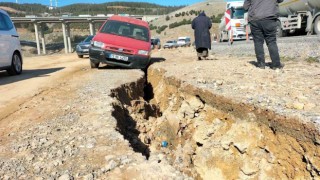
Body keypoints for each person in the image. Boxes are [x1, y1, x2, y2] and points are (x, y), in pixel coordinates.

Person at [244, 0, 284, 69]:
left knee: (258, 42)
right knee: (271, 41)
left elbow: (245, 7)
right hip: (269, 18)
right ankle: (276, 64)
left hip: (255, 19)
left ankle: (261, 64)